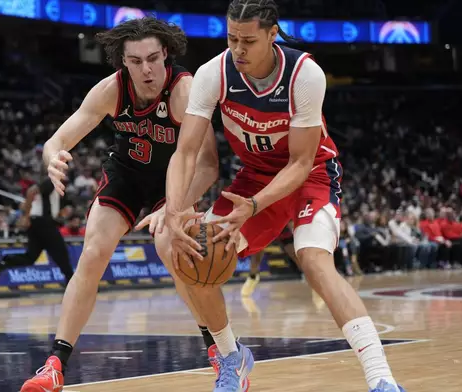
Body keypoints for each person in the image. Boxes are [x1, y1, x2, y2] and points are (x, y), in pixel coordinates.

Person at [162, 0, 406, 391]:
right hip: (254, 178)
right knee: (192, 254)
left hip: (310, 175)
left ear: (272, 35)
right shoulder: (214, 74)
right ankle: (232, 357)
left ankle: (382, 379)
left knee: (314, 262)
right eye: (231, 38)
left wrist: (255, 206)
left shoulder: (304, 74)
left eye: (248, 40)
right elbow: (186, 152)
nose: (238, 49)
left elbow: (299, 162)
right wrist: (174, 211)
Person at [20, 17, 226, 392]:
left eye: (152, 58)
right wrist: (52, 156)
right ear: (123, 62)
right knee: (94, 251)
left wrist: (175, 207)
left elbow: (209, 165)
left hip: (175, 181)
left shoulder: (185, 91)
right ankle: (54, 366)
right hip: (128, 174)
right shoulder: (111, 90)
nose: (146, 69)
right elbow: (58, 139)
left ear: (166, 53)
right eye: (135, 61)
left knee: (172, 250)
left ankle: (216, 350)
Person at [0, 175, 75, 285]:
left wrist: (61, 213)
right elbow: (31, 191)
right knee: (62, 253)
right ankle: (72, 284)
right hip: (43, 223)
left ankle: (3, 263)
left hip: (37, 224)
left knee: (31, 257)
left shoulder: (58, 189)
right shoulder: (51, 181)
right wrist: (26, 216)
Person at [241, 224, 297, 297]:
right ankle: (252, 277)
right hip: (264, 223)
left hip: (280, 222)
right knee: (256, 252)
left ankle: (309, 276)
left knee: (294, 253)